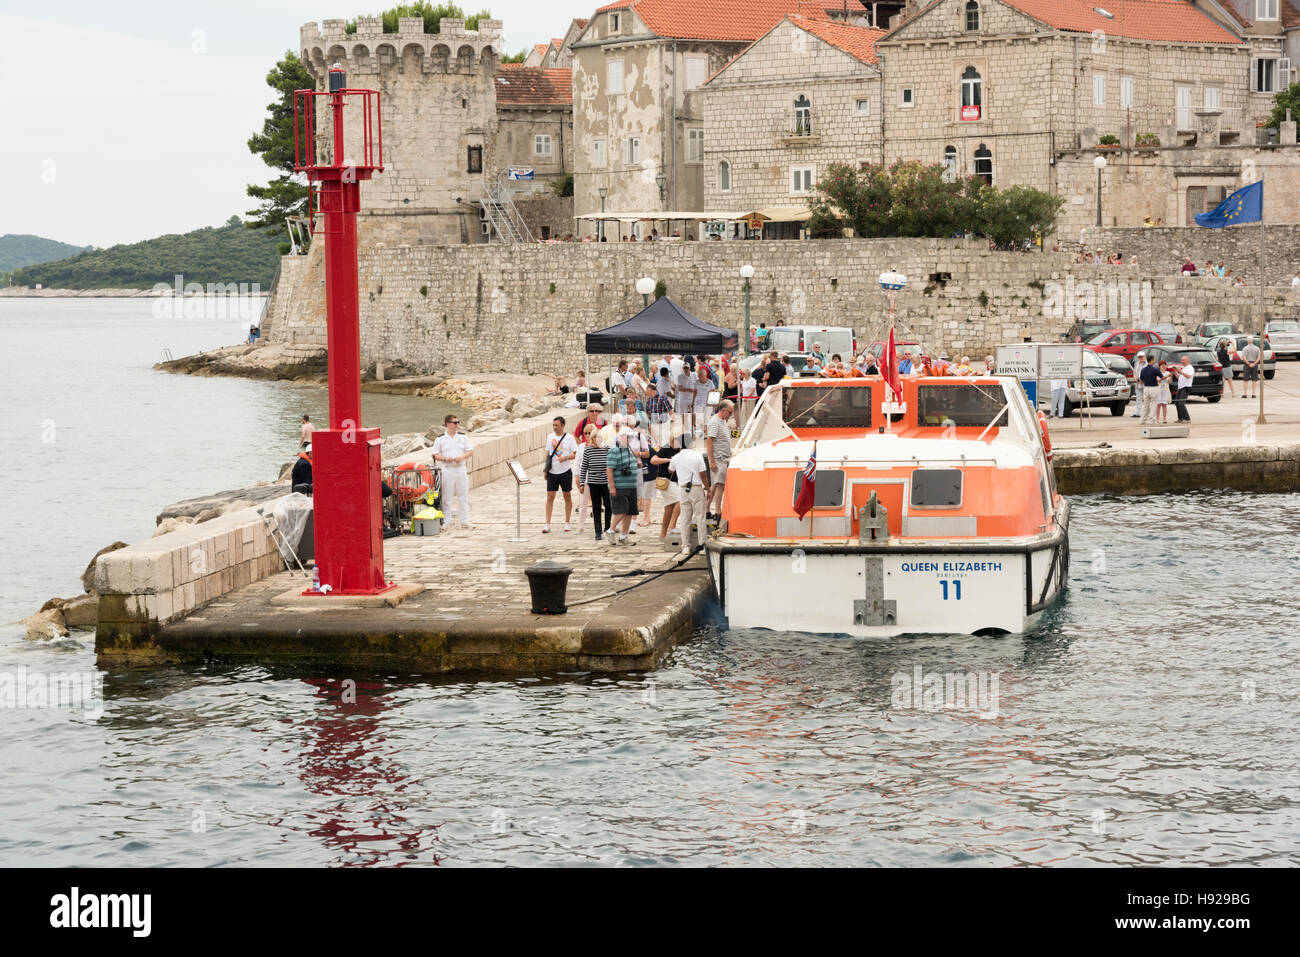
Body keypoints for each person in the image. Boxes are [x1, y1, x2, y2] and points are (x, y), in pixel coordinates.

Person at [667, 435, 710, 558]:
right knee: (700, 518)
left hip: (683, 489)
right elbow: (703, 475)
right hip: (696, 488)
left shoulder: (675, 457)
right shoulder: (697, 456)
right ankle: (702, 546)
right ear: (691, 444)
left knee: (685, 519)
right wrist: (708, 488)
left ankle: (686, 546)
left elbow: (670, 470)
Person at [432, 413, 474, 528]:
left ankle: (465, 520)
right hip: (448, 469)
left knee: (463, 495)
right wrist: (445, 458)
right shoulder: (440, 439)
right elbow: (435, 454)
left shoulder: (462, 437)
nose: (457, 425)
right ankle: (447, 521)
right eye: (454, 423)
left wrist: (461, 457)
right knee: (447, 496)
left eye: (457, 422)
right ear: (447, 424)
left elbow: (470, 451)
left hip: (460, 469)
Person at [605, 427, 641, 545]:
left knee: (630, 512)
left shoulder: (629, 449)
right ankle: (610, 530)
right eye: (627, 437)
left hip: (631, 486)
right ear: (620, 437)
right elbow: (609, 469)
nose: (629, 439)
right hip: (619, 486)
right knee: (621, 511)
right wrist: (612, 487)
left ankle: (623, 536)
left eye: (630, 437)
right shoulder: (614, 450)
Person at [543, 416, 577, 533]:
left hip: (565, 471)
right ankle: (547, 523)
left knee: (567, 496)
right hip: (552, 471)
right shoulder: (550, 437)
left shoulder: (569, 438)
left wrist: (566, 457)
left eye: (557, 425)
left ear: (562, 426)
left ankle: (567, 522)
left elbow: (576, 454)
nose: (555, 428)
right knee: (549, 497)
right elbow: (548, 453)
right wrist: (545, 469)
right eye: (553, 425)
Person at [578, 427, 612, 542]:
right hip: (593, 482)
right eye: (595, 437)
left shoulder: (608, 449)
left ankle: (608, 529)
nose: (598, 439)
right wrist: (581, 483)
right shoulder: (588, 450)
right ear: (592, 439)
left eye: (600, 437)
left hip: (606, 482)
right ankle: (598, 531)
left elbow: (612, 466)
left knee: (608, 505)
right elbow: (583, 468)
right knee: (596, 507)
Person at [649, 433, 682, 546]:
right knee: (681, 499)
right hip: (666, 481)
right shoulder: (666, 448)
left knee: (669, 508)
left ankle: (663, 535)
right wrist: (668, 460)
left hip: (675, 481)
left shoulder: (681, 449)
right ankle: (672, 526)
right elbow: (653, 460)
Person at [706, 400, 733, 522]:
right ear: (723, 411)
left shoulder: (723, 421)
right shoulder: (715, 422)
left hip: (723, 456)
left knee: (716, 484)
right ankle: (717, 510)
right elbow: (709, 441)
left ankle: (706, 508)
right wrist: (711, 461)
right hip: (718, 458)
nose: (731, 415)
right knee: (719, 484)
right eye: (730, 412)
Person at [1138, 356, 1161, 424]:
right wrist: (1169, 375)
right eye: (1154, 360)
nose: (1154, 361)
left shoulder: (1143, 369)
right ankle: (1152, 419)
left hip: (1146, 388)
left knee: (1146, 405)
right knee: (1153, 404)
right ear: (1152, 360)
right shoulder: (1155, 369)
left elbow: (1141, 381)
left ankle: (1143, 419)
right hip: (1154, 388)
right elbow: (1162, 377)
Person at [692, 364, 712, 434]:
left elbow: (712, 393)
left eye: (701, 376)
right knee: (699, 418)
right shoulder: (697, 382)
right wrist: (693, 402)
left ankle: (706, 432)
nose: (700, 378)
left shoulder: (710, 382)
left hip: (708, 403)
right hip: (698, 403)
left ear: (705, 375)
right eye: (699, 376)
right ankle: (700, 433)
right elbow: (694, 392)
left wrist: (713, 402)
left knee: (707, 418)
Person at [1174, 355, 1194, 422]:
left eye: (1183, 360)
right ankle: (1180, 418)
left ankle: (1187, 418)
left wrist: (1181, 371)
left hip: (1186, 387)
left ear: (1188, 361)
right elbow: (1179, 377)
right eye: (1182, 360)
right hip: (1180, 387)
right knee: (1176, 403)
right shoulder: (1184, 368)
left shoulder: (1190, 368)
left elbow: (1188, 376)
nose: (1182, 361)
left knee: (1181, 403)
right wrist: (1175, 371)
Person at [1131, 353, 1147, 417]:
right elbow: (1134, 372)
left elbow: (1148, 374)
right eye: (1139, 357)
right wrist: (1135, 378)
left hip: (1145, 384)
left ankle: (1145, 413)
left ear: (1144, 357)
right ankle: (1138, 413)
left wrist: (1142, 380)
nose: (1141, 358)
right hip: (1138, 384)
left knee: (1146, 399)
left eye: (1142, 357)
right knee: (1138, 399)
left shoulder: (1147, 365)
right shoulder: (1136, 364)